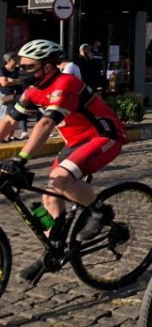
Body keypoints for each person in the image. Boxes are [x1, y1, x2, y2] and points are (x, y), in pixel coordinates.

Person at [0, 40, 127, 282]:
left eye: (28, 67)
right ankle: (54, 247)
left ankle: (101, 212)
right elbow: (8, 123)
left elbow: (46, 123)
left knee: (61, 179)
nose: (21, 71)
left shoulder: (65, 84)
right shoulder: (32, 90)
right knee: (49, 196)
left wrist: (21, 158)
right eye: (20, 66)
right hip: (75, 142)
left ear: (47, 67)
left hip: (103, 135)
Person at [0, 53, 22, 140]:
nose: (17, 61)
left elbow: (24, 80)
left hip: (17, 95)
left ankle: (10, 136)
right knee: (3, 116)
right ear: (8, 60)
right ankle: (2, 137)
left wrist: (12, 80)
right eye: (14, 59)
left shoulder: (18, 69)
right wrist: (17, 81)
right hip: (6, 95)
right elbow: (4, 83)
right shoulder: (2, 70)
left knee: (15, 116)